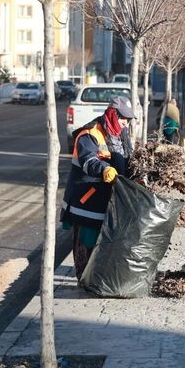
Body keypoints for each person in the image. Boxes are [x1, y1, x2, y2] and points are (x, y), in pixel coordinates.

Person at [61, 96, 135, 280]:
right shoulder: (89, 134)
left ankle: (97, 277)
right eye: (123, 118)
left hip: (107, 199)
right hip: (86, 200)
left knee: (103, 244)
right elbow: (88, 161)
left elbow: (128, 158)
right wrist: (105, 169)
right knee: (86, 242)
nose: (126, 123)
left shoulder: (121, 134)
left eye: (128, 119)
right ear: (112, 114)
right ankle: (83, 278)